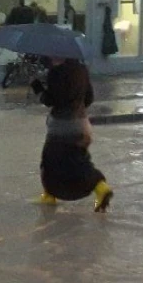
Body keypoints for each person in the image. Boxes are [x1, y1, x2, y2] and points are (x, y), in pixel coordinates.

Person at [30, 57, 113, 212]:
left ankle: (49, 195)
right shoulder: (81, 69)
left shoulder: (56, 73)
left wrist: (37, 87)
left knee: (49, 161)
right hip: (81, 123)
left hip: (61, 126)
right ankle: (101, 187)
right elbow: (89, 98)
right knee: (78, 161)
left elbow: (50, 100)